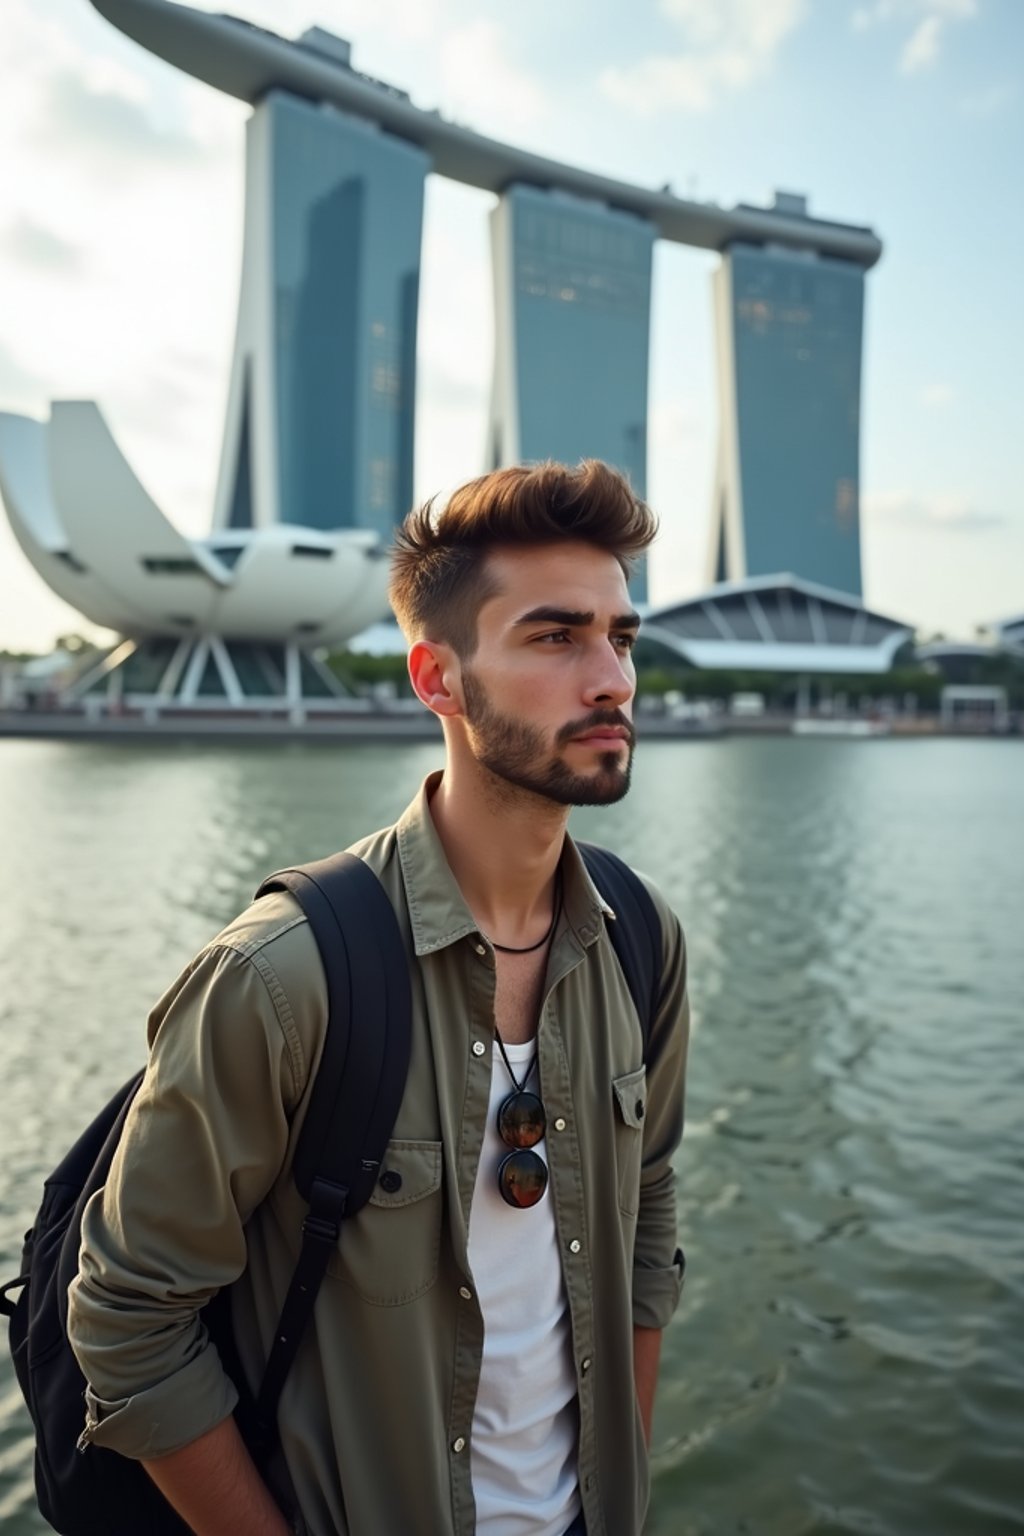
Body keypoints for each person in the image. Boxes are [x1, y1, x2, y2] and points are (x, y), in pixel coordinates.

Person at [67, 459, 690, 1536]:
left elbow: (650, 1221)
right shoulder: (282, 977)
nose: (612, 681)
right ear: (436, 678)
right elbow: (128, 1319)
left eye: (619, 637)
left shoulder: (638, 939)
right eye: (555, 637)